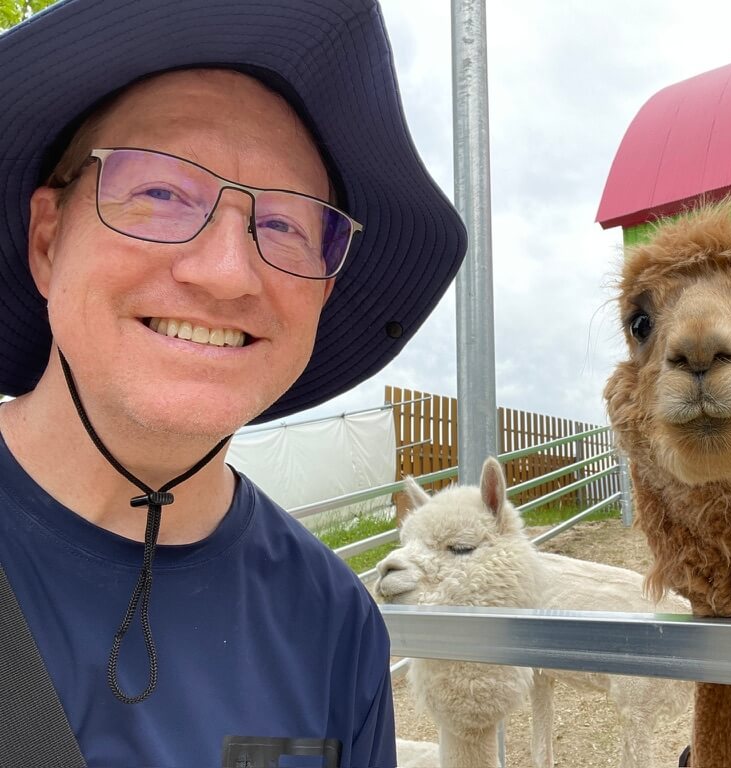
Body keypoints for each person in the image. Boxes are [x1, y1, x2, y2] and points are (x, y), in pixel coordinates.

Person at [0, 0, 466, 766]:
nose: (225, 273)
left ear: (321, 295)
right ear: (48, 241)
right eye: (159, 193)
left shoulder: (332, 626)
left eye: (284, 225)